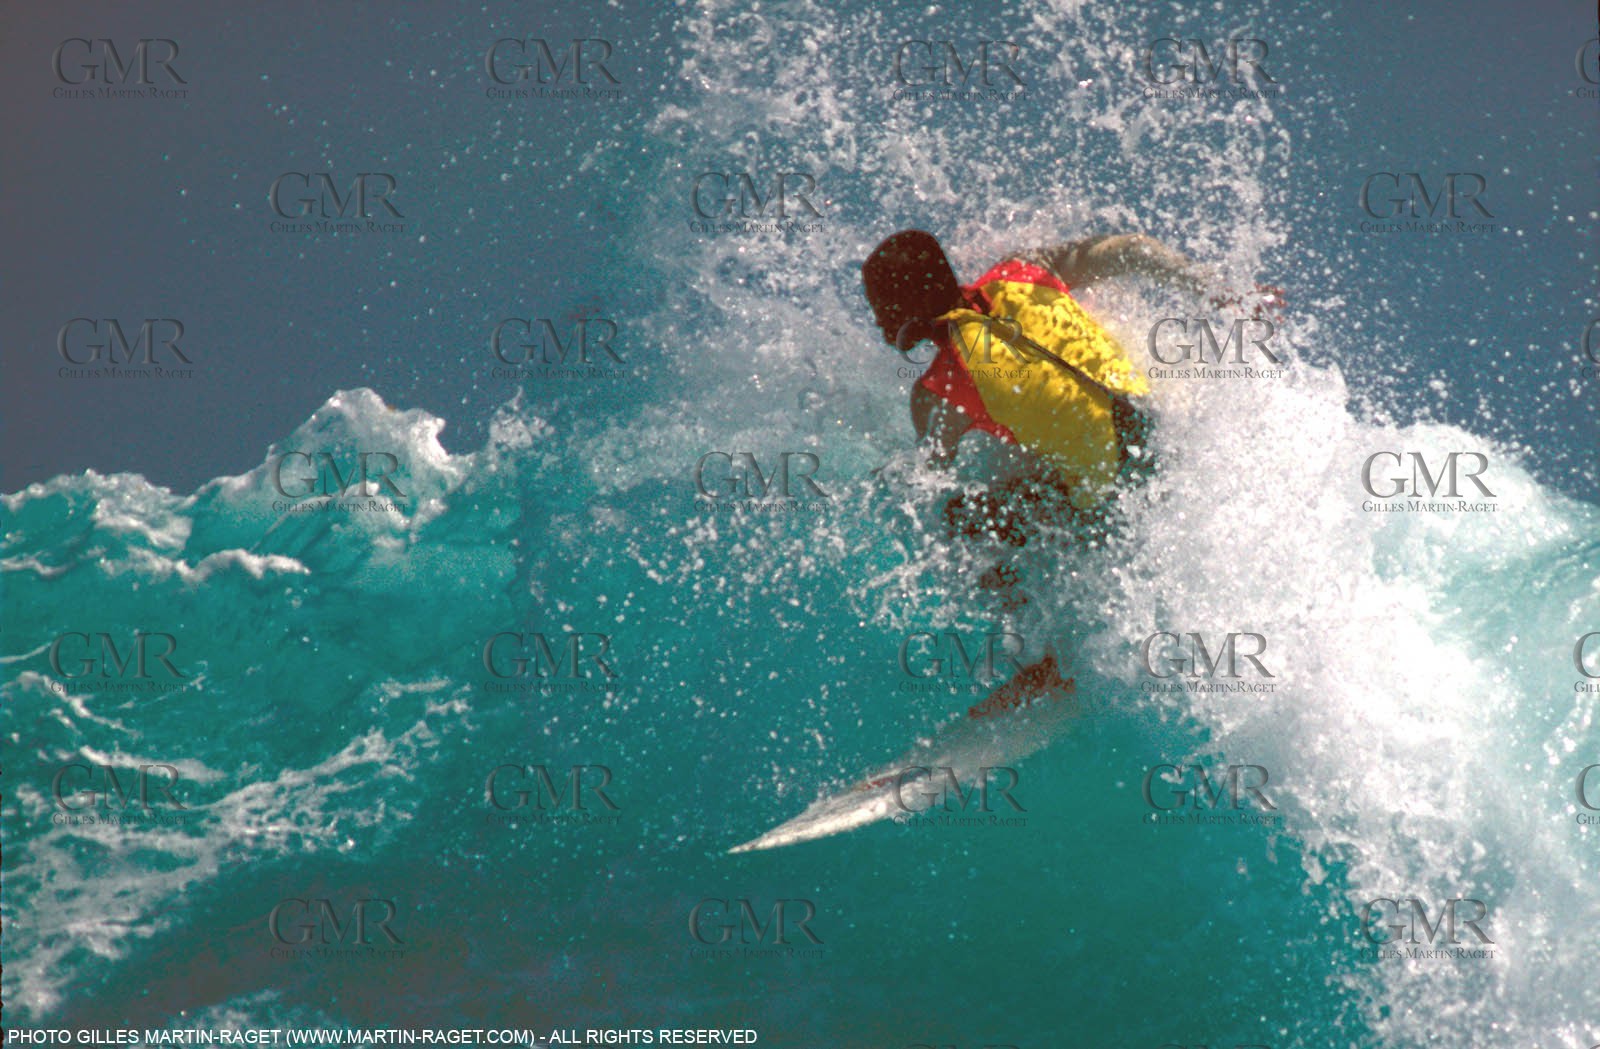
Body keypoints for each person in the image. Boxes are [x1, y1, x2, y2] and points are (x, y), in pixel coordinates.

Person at [860, 228, 1273, 712]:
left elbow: (933, 477)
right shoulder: (1020, 273)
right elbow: (1127, 249)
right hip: (1163, 442)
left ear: (905, 306)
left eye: (880, 306)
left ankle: (1042, 657)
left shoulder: (937, 392)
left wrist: (892, 479)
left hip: (1112, 505)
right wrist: (1216, 288)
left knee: (957, 517)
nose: (878, 320)